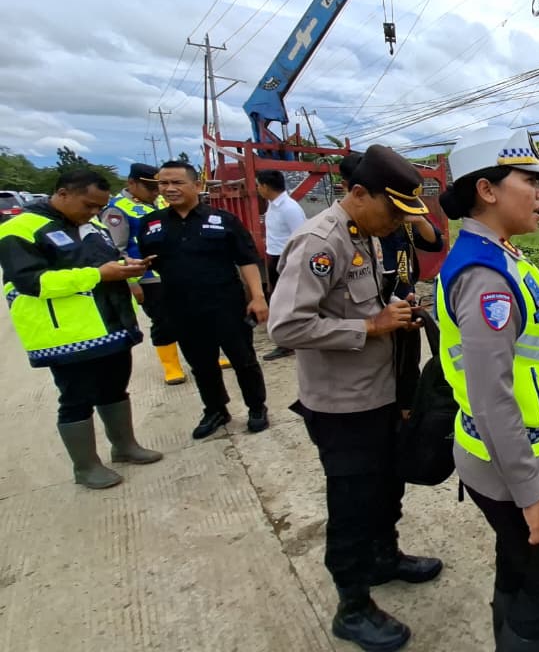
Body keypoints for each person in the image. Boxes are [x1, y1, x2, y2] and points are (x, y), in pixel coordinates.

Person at [268, 144, 444, 652]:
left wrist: (392, 306)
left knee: (387, 484)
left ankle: (384, 557)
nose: (398, 222)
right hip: (342, 405)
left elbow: (358, 298)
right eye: (393, 210)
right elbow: (287, 324)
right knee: (352, 502)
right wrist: (371, 325)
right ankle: (352, 604)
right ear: (359, 193)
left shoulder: (363, 233)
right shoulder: (320, 241)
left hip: (379, 392)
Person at [436, 127, 539, 651]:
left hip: (528, 451)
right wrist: (531, 494)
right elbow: (491, 396)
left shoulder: (501, 253)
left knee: (519, 565)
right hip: (513, 465)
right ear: (487, 190)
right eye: (531, 181)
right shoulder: (484, 275)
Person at [0, 169, 162, 489]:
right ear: (63, 194)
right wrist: (98, 275)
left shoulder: (91, 224)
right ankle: (86, 466)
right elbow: (32, 281)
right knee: (76, 399)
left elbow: (107, 260)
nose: (94, 212)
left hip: (111, 326)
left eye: (98, 207)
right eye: (88, 205)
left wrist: (128, 273)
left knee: (114, 388)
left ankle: (124, 446)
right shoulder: (20, 229)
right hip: (68, 335)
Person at [139, 160, 270, 438]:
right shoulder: (151, 224)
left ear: (196, 185)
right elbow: (144, 263)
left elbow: (247, 260)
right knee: (201, 364)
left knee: (243, 359)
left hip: (226, 304)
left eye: (177, 182)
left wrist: (258, 297)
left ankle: (256, 407)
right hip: (181, 307)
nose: (169, 189)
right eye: (164, 183)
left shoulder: (223, 221)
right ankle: (216, 410)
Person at [337, 151, 445, 413]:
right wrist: (372, 323)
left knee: (408, 364)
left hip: (403, 300)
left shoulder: (401, 220)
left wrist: (418, 218)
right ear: (354, 191)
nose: (392, 217)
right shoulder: (341, 237)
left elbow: (435, 242)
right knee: (384, 369)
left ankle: (408, 412)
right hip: (372, 314)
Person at [100, 162, 188, 385]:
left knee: (191, 314)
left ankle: (204, 355)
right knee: (163, 320)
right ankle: (171, 366)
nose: (156, 192)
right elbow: (115, 249)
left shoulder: (159, 202)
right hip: (147, 278)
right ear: (132, 183)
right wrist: (131, 282)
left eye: (156, 187)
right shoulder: (117, 210)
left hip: (175, 271)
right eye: (150, 188)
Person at [258, 169, 308, 361]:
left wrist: (293, 264)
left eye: (258, 185)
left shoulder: (289, 208)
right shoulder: (273, 205)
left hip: (287, 260)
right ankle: (286, 341)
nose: (258, 189)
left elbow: (301, 236)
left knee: (286, 302)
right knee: (278, 301)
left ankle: (288, 343)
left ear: (265, 186)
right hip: (275, 258)